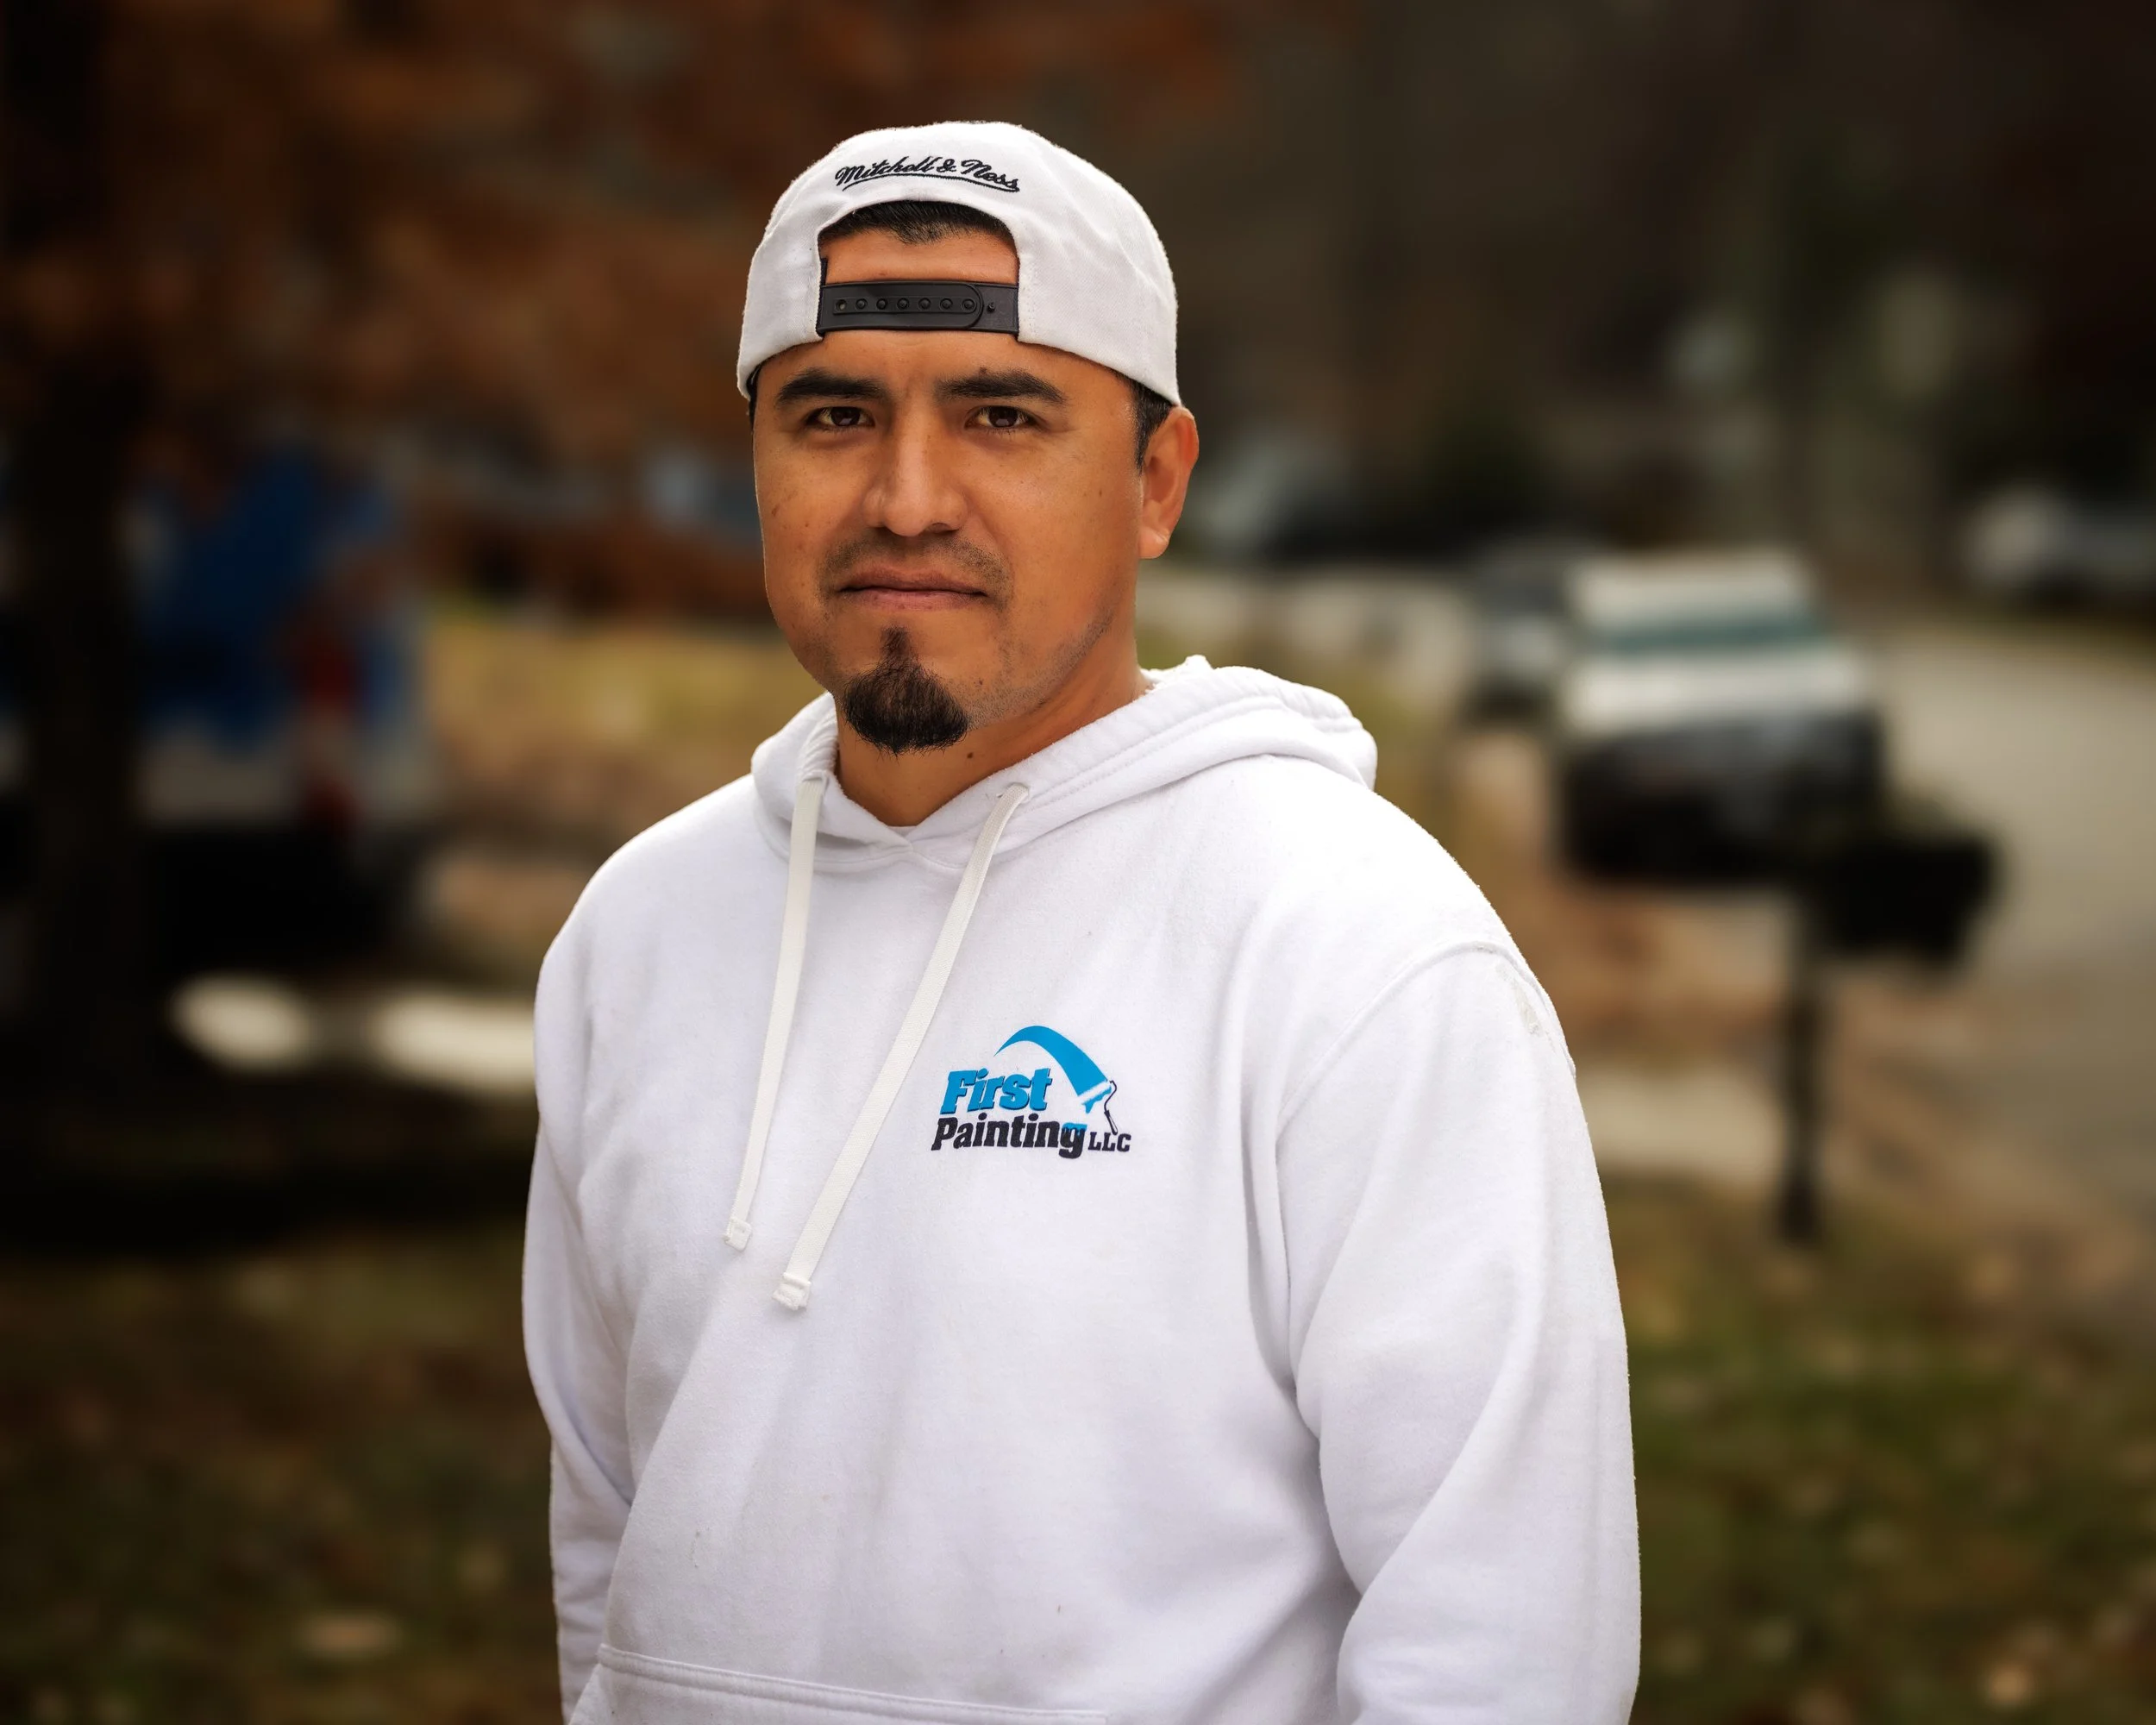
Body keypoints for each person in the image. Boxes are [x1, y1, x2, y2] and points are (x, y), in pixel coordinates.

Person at [524, 122, 1637, 1725]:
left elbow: (1507, 1642)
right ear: (755, 457)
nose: (907, 500)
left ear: (1157, 481)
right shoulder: (635, 940)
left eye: (1001, 415)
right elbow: (605, 1555)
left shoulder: (1356, 952)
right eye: (833, 415)